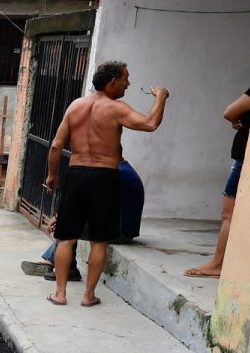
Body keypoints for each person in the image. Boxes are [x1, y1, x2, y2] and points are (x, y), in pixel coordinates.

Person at [45, 60, 168, 306]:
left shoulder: (76, 105)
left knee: (67, 237)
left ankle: (60, 293)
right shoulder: (116, 108)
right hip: (104, 177)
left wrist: (52, 175)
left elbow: (57, 145)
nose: (128, 83)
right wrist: (161, 97)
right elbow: (150, 124)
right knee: (99, 240)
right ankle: (88, 296)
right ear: (112, 82)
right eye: (125, 78)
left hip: (77, 174)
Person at [186, 83, 250, 278]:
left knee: (229, 213)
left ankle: (217, 263)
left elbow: (229, 112)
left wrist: (240, 118)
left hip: (245, 157)